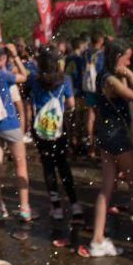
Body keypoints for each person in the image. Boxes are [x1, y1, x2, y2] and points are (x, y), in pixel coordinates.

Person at [88, 39, 133, 258]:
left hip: (106, 136)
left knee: (107, 188)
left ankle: (97, 239)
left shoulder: (104, 75)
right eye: (127, 56)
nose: (130, 60)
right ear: (118, 57)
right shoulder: (112, 80)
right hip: (118, 138)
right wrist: (131, 77)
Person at [0, 44, 35, 222]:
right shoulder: (3, 75)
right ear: (3, 59)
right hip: (9, 123)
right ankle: (24, 208)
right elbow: (24, 76)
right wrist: (16, 57)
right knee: (20, 165)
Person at [29, 47, 81, 221]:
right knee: (63, 165)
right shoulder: (65, 80)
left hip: (41, 128)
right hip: (59, 127)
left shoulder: (35, 80)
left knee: (48, 166)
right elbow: (71, 104)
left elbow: (30, 100)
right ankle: (75, 205)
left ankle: (56, 207)